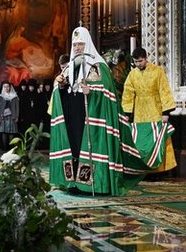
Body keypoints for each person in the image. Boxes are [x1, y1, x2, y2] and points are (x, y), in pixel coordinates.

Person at [48, 27, 156, 196]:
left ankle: (94, 183)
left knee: (87, 145)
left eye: (80, 44)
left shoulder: (99, 66)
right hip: (73, 118)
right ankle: (73, 182)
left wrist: (90, 92)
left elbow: (107, 94)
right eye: (75, 45)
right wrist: (60, 85)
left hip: (92, 118)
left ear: (88, 44)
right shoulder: (69, 68)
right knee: (74, 146)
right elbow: (62, 91)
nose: (77, 48)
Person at [121, 47, 177, 174]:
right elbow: (128, 94)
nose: (138, 64)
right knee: (141, 141)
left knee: (157, 138)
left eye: (140, 61)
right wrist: (127, 114)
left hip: (155, 109)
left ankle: (160, 170)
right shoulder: (132, 74)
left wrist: (165, 113)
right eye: (135, 62)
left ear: (146, 58)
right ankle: (143, 170)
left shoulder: (158, 71)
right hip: (140, 111)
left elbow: (164, 90)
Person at [0, 81, 19, 149]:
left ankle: (11, 147)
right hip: (3, 116)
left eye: (7, 86)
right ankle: (5, 147)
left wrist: (17, 116)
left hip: (12, 116)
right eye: (5, 87)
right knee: (4, 132)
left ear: (10, 87)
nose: (6, 88)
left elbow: (17, 107)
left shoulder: (14, 96)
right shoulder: (1, 96)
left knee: (12, 132)